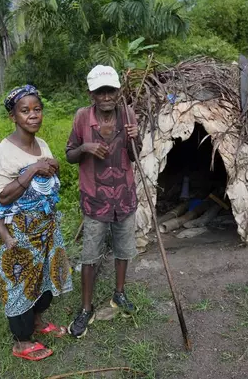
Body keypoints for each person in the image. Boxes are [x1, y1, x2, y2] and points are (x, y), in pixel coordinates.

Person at [0, 85, 73, 361]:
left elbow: (48, 172)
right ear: (13, 116)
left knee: (44, 282)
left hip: (45, 228)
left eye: (37, 109)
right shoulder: (4, 151)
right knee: (20, 286)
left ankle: (38, 322)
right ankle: (22, 342)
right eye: (25, 111)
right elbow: (3, 197)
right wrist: (35, 169)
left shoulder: (42, 143)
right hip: (19, 232)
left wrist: (52, 166)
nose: (33, 115)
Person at [65, 65, 142, 338]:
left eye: (111, 90)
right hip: (95, 199)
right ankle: (86, 308)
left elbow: (135, 156)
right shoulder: (82, 118)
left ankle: (119, 294)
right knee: (90, 255)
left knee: (123, 250)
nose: (106, 96)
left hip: (124, 196)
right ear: (91, 94)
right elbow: (69, 155)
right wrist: (85, 148)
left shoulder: (128, 115)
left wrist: (136, 137)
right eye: (100, 91)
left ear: (118, 91)